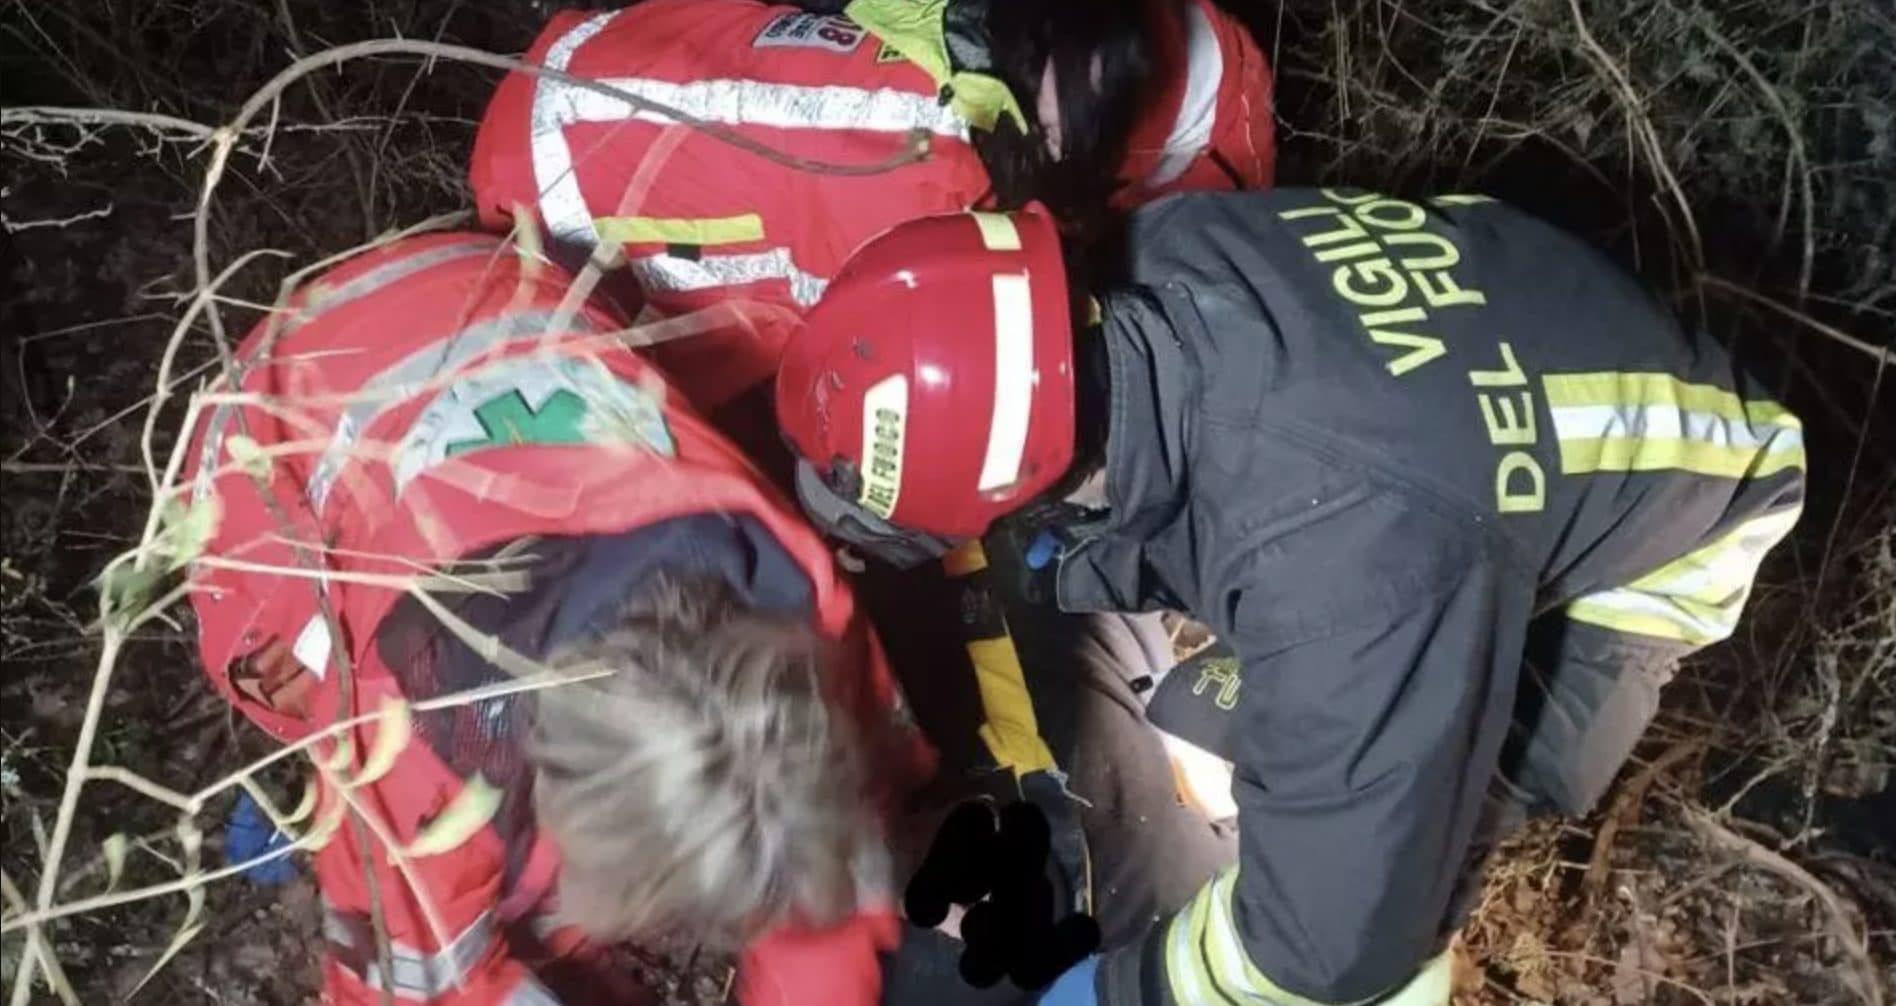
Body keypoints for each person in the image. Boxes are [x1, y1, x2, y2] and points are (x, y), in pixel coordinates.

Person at [769, 193, 1807, 1005]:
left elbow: (1321, 950)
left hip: (1684, 519)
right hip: (1498, 375)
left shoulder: (1346, 569)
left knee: (1406, 886)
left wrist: (1117, 992)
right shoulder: (1157, 253)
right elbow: (1180, 477)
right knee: (1251, 716)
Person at [182, 231, 935, 1006]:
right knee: (332, 725)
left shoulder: (802, 592)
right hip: (269, 424)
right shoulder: (403, 737)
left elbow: (833, 873)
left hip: (489, 288)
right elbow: (415, 989)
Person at [467, 0, 1273, 412]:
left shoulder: (961, 47)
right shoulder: (934, 186)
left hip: (577, 66)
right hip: (553, 195)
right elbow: (869, 374)